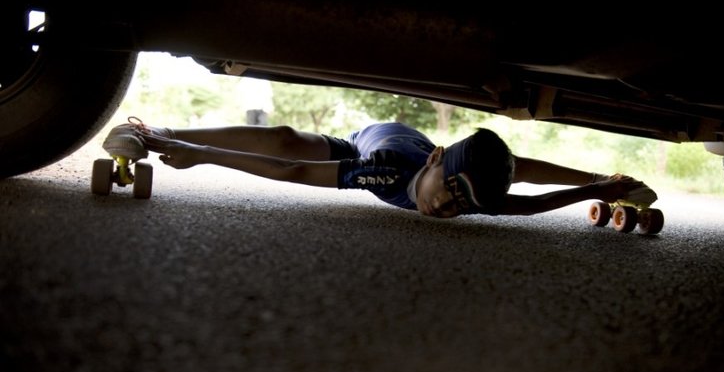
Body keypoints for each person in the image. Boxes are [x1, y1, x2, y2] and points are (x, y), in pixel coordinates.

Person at [102, 117, 657, 218]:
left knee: (509, 168)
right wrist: (198, 157)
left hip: (420, 149)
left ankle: (175, 139)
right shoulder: (386, 174)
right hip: (376, 144)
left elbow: (529, 197)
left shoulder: (470, 195)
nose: (446, 206)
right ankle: (161, 133)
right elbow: (290, 171)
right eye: (450, 190)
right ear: (439, 163)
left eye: (463, 205)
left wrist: (603, 188)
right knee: (285, 140)